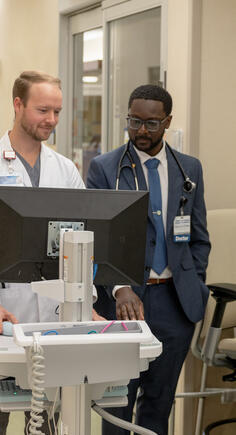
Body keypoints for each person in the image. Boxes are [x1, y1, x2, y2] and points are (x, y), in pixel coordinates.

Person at [0, 70, 103, 434]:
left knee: (47, 419)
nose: (51, 120)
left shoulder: (64, 169)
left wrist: (87, 300)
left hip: (54, 311)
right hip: (3, 310)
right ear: (18, 105)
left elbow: (82, 241)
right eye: (42, 110)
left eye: (56, 111)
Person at [87, 84, 211, 435]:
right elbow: (96, 240)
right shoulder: (105, 169)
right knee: (117, 405)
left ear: (167, 122)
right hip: (126, 302)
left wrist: (192, 281)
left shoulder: (189, 169)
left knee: (160, 404)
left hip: (176, 303)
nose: (141, 130)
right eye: (134, 121)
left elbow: (199, 237)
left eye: (151, 123)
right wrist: (120, 287)